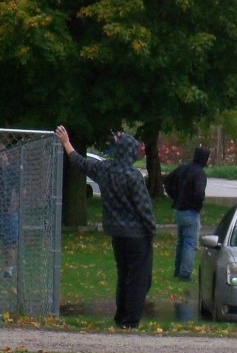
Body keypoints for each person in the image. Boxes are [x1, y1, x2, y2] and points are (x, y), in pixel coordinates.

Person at [54, 126, 156, 329]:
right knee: (138, 279)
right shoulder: (133, 176)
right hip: (137, 234)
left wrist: (66, 143)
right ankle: (131, 321)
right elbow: (144, 208)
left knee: (124, 274)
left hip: (116, 232)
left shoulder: (105, 169)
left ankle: (121, 318)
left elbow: (80, 162)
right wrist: (151, 231)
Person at [163, 146, 210, 281]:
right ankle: (185, 273)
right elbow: (199, 192)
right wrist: (198, 205)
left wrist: (175, 195)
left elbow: (167, 180)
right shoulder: (199, 173)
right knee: (190, 243)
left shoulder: (183, 168)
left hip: (179, 209)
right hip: (191, 211)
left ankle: (178, 270)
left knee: (181, 242)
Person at [0, 143, 20, 279]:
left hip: (9, 214)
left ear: (7, 155)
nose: (0, 157)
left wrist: (13, 207)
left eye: (2, 154)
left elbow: (21, 191)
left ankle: (8, 271)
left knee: (10, 244)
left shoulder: (13, 171)